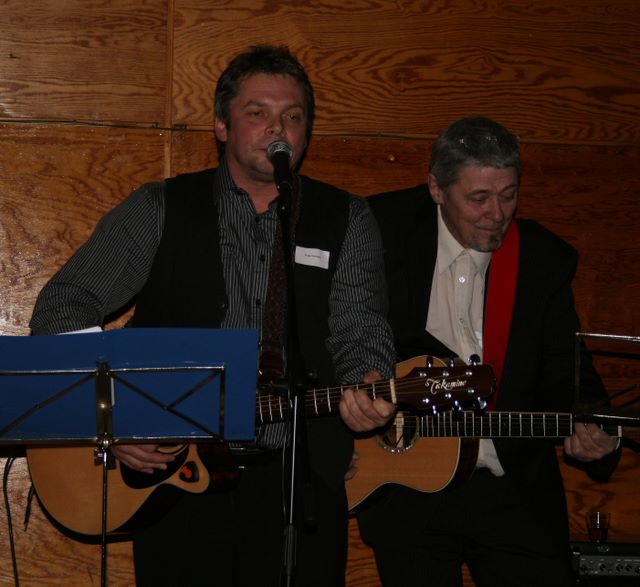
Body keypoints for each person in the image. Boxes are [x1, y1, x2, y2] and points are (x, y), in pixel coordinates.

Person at [30, 45, 395, 586]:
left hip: (299, 485)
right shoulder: (160, 207)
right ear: (222, 126)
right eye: (258, 112)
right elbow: (63, 305)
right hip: (175, 483)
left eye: (293, 116)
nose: (278, 129)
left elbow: (359, 328)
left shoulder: (346, 217)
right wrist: (112, 414)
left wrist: (368, 380)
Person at [339, 116, 620, 586]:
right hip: (408, 485)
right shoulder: (380, 231)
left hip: (512, 489)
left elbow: (567, 370)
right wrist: (336, 441)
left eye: (509, 195)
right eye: (479, 198)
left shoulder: (540, 258)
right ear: (436, 188)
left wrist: (600, 430)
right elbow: (338, 333)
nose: (497, 213)